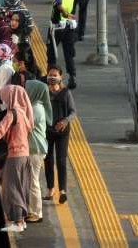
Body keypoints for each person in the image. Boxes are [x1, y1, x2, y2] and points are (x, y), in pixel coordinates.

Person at [0, 85, 34, 232]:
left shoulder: (11, 114)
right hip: (24, 155)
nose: (3, 100)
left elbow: (0, 131)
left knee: (11, 188)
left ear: (11, 97)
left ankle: (16, 222)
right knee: (21, 187)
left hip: (15, 155)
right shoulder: (23, 112)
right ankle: (21, 221)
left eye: (4, 97)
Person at [44, 67, 76, 204]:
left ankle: (62, 191)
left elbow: (73, 112)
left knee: (61, 161)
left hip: (62, 131)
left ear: (60, 77)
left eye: (55, 75)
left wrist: (65, 121)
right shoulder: (44, 92)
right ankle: (50, 189)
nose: (52, 77)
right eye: (50, 75)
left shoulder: (66, 93)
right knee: (48, 160)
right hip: (47, 130)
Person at [25, 79, 52, 223]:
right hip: (36, 148)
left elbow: (24, 125)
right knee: (31, 180)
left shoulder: (35, 108)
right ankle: (32, 210)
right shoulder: (37, 105)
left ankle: (36, 213)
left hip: (35, 149)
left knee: (33, 181)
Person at [47, 0, 78, 89]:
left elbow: (58, 3)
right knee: (68, 53)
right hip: (70, 26)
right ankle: (72, 76)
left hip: (57, 27)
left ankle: (51, 78)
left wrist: (65, 13)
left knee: (51, 53)